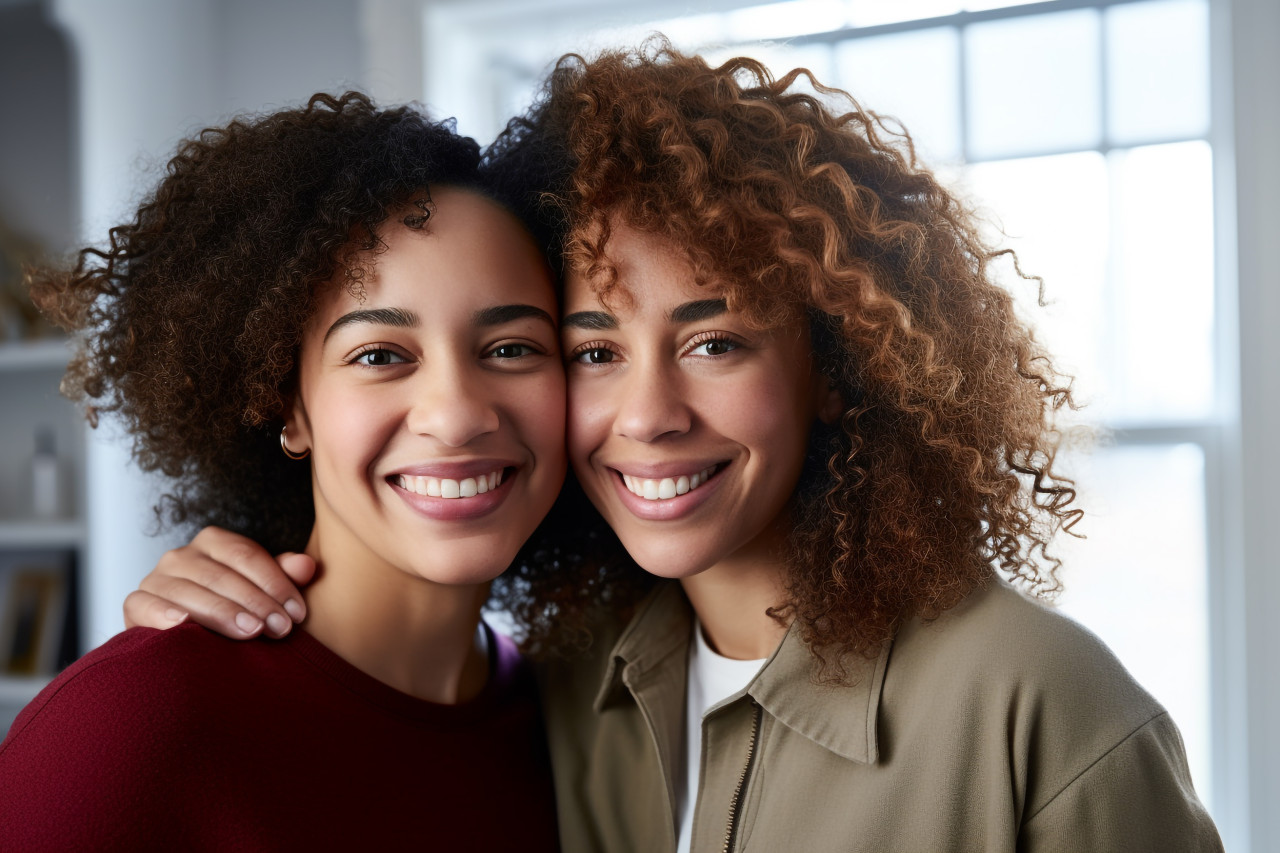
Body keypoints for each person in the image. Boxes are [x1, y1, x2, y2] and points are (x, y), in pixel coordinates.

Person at [123, 42, 1222, 852]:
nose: (646, 413)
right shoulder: (566, 684)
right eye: (593, 350)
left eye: (712, 340)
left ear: (832, 367)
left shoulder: (1038, 706)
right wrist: (228, 576)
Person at [0, 92, 563, 851]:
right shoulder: (129, 723)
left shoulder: (569, 724)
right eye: (380, 356)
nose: (457, 413)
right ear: (286, 405)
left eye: (512, 348)